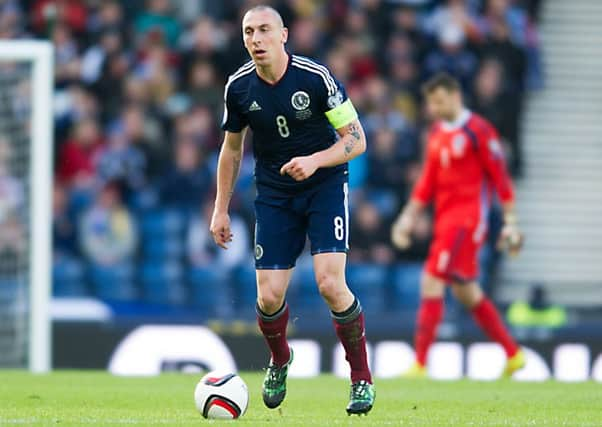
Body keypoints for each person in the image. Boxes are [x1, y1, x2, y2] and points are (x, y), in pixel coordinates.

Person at [210, 5, 375, 415]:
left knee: (329, 284)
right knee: (268, 296)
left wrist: (317, 160)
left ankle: (361, 379)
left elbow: (356, 140)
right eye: (249, 32)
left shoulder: (315, 77)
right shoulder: (239, 87)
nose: (256, 39)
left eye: (264, 30)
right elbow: (231, 150)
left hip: (323, 185)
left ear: (284, 35)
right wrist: (220, 209)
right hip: (274, 193)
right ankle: (280, 360)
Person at [391, 72, 525, 379]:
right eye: (431, 103)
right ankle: (513, 354)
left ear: (455, 96)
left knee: (431, 280)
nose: (435, 109)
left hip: (467, 220)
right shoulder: (437, 132)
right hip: (445, 219)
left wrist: (511, 221)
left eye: (439, 101)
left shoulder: (479, 130)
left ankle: (420, 364)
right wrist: (408, 216)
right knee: (467, 292)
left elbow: (500, 178)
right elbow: (428, 181)